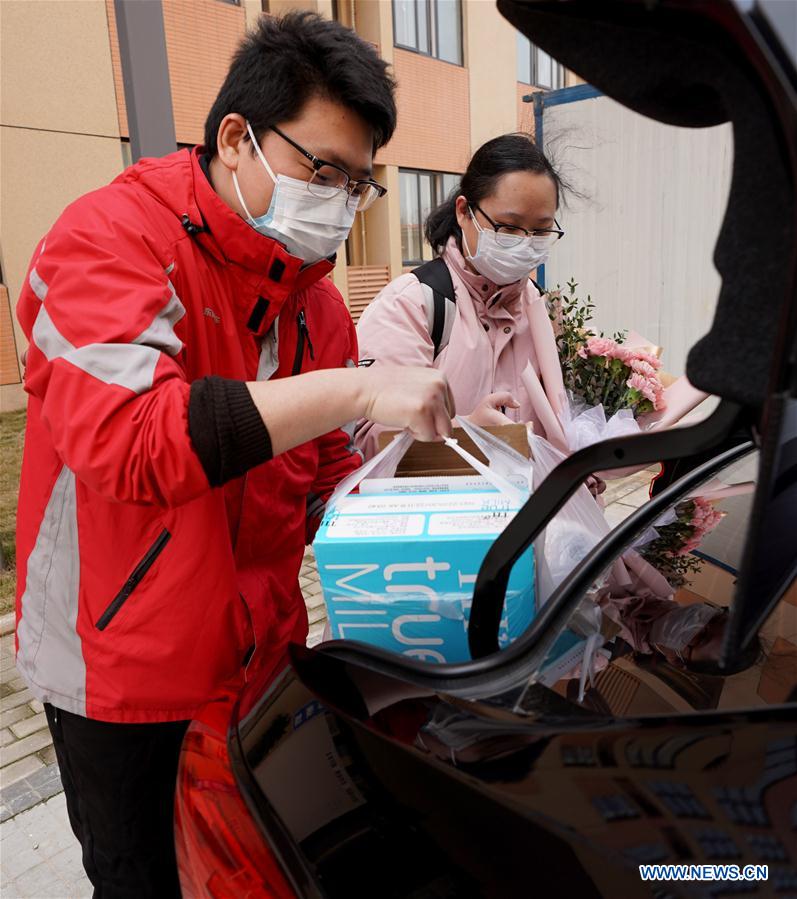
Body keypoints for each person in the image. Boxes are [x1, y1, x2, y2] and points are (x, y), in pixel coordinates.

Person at [14, 13, 452, 897]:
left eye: (359, 184)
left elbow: (328, 474)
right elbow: (133, 444)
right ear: (235, 137)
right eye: (321, 171)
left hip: (257, 651)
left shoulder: (310, 300)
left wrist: (445, 475)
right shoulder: (107, 238)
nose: (338, 200)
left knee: (243, 861)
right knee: (139, 876)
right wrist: (359, 389)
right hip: (117, 662)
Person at [355, 133, 570, 461]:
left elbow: (565, 423)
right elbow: (368, 442)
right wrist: (465, 434)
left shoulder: (544, 309)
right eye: (508, 227)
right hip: (443, 509)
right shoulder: (412, 305)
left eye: (540, 231)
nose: (525, 242)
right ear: (464, 212)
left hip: (538, 510)